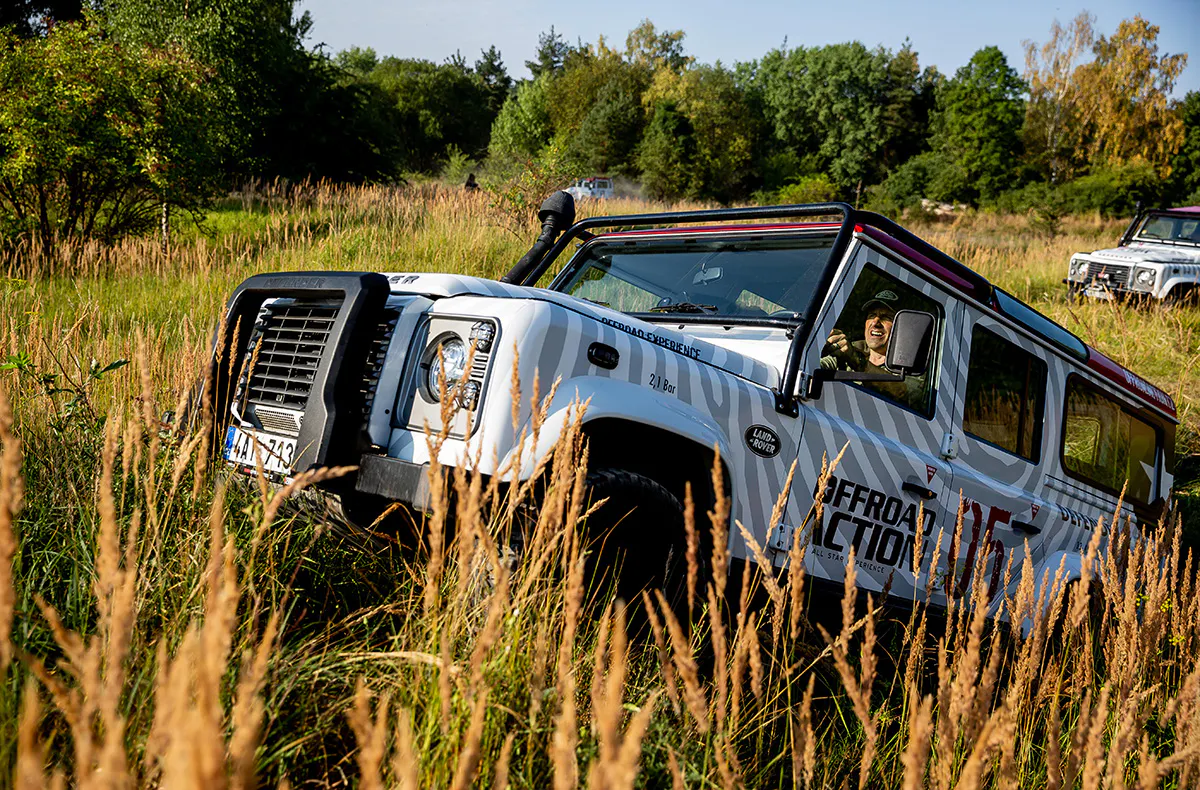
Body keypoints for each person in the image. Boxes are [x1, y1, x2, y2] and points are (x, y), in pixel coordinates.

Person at [821, 289, 924, 408]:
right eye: (872, 315)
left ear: (902, 328)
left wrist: (858, 362)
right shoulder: (851, 350)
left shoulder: (911, 366)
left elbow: (905, 393)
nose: (876, 322)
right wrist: (820, 347)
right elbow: (817, 367)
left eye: (886, 317)